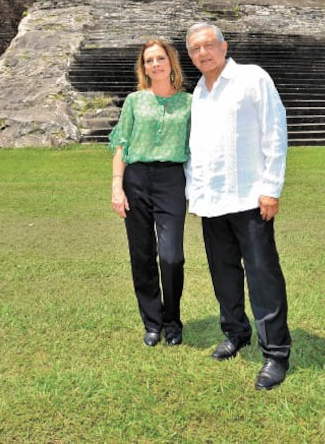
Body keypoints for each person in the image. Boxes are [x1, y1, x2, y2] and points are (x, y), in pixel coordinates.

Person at [184, 22, 292, 390]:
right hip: (212, 200)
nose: (203, 53)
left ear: (224, 46)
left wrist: (271, 188)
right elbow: (197, 149)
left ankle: (275, 352)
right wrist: (195, 193)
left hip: (249, 197)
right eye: (195, 49)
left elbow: (275, 131)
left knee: (263, 275)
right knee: (224, 274)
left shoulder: (252, 78)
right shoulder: (198, 92)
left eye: (209, 45)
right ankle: (236, 332)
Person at [109, 39, 192, 347]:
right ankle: (153, 322)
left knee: (172, 257)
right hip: (136, 178)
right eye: (149, 60)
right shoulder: (134, 101)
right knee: (142, 254)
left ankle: (173, 319)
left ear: (171, 62)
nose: (155, 64)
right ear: (143, 67)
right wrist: (117, 186)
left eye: (160, 58)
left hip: (171, 179)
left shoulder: (188, 103)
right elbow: (122, 143)